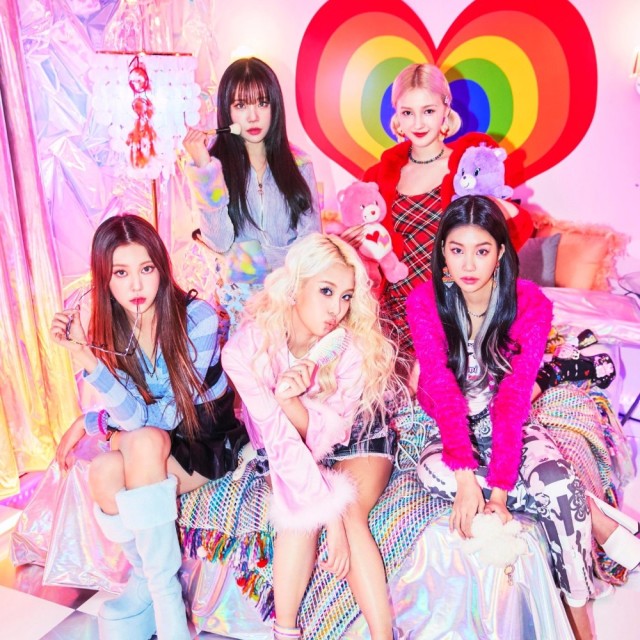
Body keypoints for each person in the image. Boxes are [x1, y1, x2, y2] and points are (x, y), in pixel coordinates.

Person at [406, 195, 640, 640]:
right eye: (456, 250)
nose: (468, 264)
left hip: (509, 425)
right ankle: (596, 513)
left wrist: (499, 492)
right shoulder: (425, 303)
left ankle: (580, 620)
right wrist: (466, 477)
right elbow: (441, 391)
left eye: (481, 250)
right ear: (442, 254)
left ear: (499, 253)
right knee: (431, 474)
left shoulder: (530, 304)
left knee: (558, 485)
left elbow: (513, 402)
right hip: (450, 434)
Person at [50, 214, 247, 640]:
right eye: (121, 273)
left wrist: (92, 411)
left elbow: (162, 418)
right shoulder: (112, 328)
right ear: (104, 279)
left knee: (140, 442)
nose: (136, 285)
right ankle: (146, 580)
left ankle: (166, 605)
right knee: (104, 470)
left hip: (206, 442)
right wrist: (85, 359)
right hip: (153, 443)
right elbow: (135, 418)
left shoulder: (197, 318)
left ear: (162, 267)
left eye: (146, 268)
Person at [221, 233, 404, 640]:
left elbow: (333, 432)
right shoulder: (245, 351)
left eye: (346, 296)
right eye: (326, 291)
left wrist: (292, 402)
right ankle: (285, 633)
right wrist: (327, 517)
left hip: (355, 435)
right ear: (295, 286)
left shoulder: (350, 348)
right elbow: (280, 443)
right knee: (298, 515)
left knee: (351, 511)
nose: (337, 308)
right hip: (284, 445)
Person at [353, 63, 532, 360]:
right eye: (407, 112)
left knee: (443, 382)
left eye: (428, 111)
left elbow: (514, 231)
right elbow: (367, 249)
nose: (418, 123)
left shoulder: (469, 166)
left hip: (452, 305)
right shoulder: (378, 175)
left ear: (445, 109)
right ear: (397, 116)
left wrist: (498, 207)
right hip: (394, 310)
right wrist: (353, 241)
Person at [183, 56, 321, 330]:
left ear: (275, 106)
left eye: (262, 103)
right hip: (242, 311)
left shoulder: (300, 163)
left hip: (293, 302)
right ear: (227, 111)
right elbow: (220, 242)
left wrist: (278, 277)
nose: (253, 116)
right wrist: (204, 168)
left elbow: (311, 241)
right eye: (241, 105)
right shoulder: (213, 168)